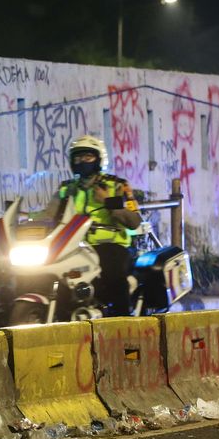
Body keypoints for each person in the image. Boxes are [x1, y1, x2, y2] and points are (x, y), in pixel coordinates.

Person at [50, 135, 142, 317]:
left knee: (114, 275)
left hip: (111, 244)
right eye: (77, 158)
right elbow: (47, 214)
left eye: (87, 157)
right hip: (74, 246)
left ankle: (123, 322)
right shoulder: (67, 189)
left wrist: (108, 201)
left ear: (99, 159)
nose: (82, 161)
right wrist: (24, 220)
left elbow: (134, 221)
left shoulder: (116, 185)